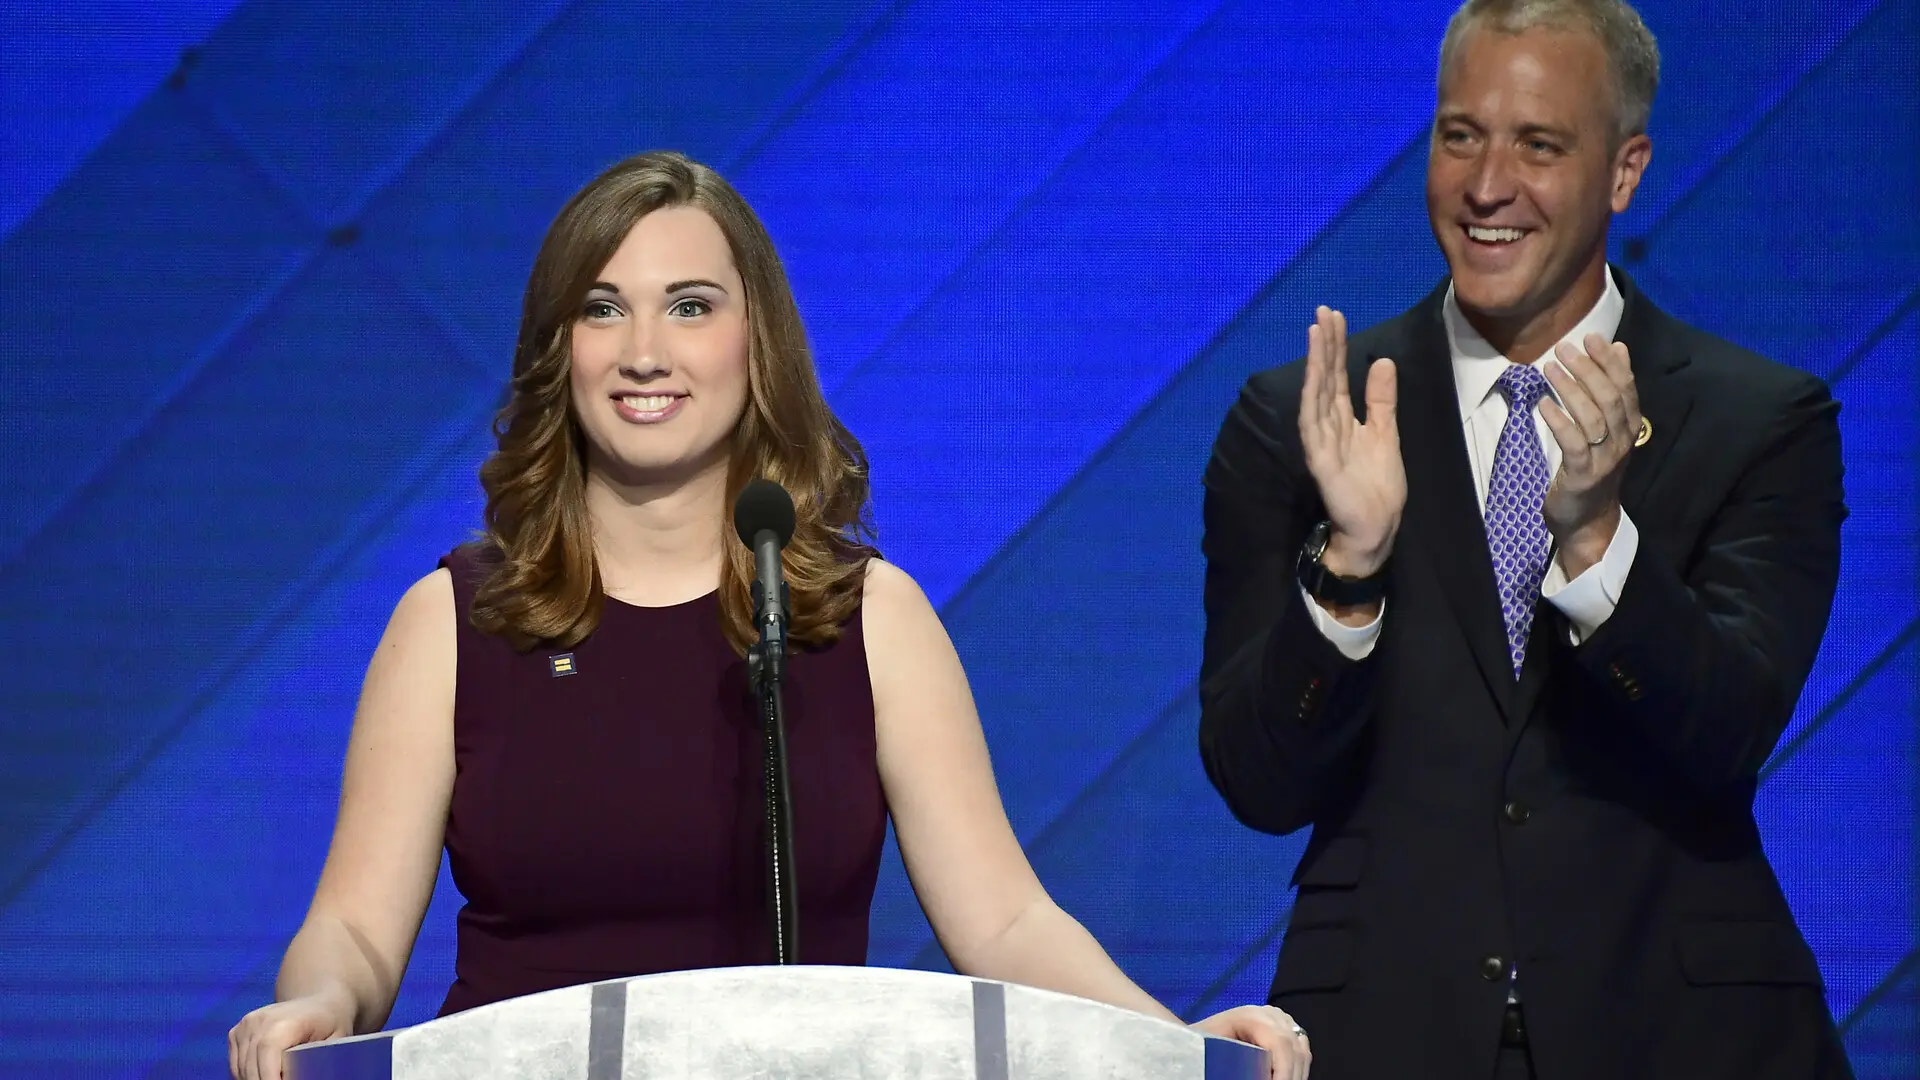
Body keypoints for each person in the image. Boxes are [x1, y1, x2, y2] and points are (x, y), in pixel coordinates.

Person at [228, 151, 1309, 1080]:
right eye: (603, 307)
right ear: (562, 351)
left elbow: (1006, 921)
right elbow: (357, 928)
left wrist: (1174, 1046)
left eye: (690, 305)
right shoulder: (455, 621)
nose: (644, 349)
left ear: (758, 343)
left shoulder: (867, 618)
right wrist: (318, 1001)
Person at [1198, 2, 1851, 1078]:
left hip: (1683, 1036)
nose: (1487, 185)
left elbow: (1728, 731)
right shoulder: (1305, 419)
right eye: (1461, 135)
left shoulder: (1758, 420)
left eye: (1539, 145)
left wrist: (1599, 545)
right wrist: (1349, 573)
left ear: (1625, 169)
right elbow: (1259, 781)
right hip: (1390, 1031)